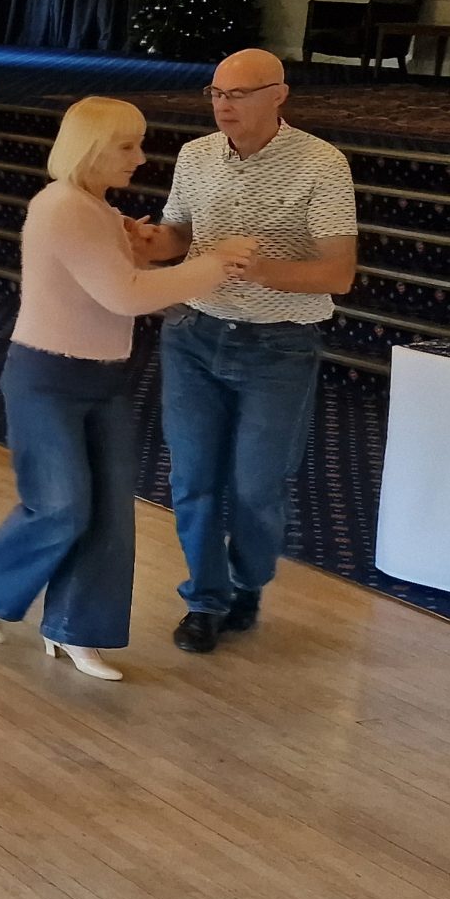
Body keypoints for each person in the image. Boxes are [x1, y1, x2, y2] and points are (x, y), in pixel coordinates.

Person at [0, 98, 255, 682]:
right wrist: (215, 265)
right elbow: (126, 295)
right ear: (90, 147)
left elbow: (125, 292)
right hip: (46, 378)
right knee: (62, 506)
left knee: (110, 514)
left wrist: (158, 266)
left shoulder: (96, 210)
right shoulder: (62, 206)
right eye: (127, 146)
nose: (140, 158)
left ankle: (77, 630)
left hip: (106, 378)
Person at [125, 49, 355, 653]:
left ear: (278, 95)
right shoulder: (196, 155)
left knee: (258, 485)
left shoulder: (321, 164)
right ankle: (205, 598)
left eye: (238, 94)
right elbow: (181, 234)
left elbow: (338, 273)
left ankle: (246, 582)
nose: (223, 105)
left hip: (279, 345)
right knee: (193, 479)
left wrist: (260, 270)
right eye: (216, 93)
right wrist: (150, 241)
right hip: (194, 333)